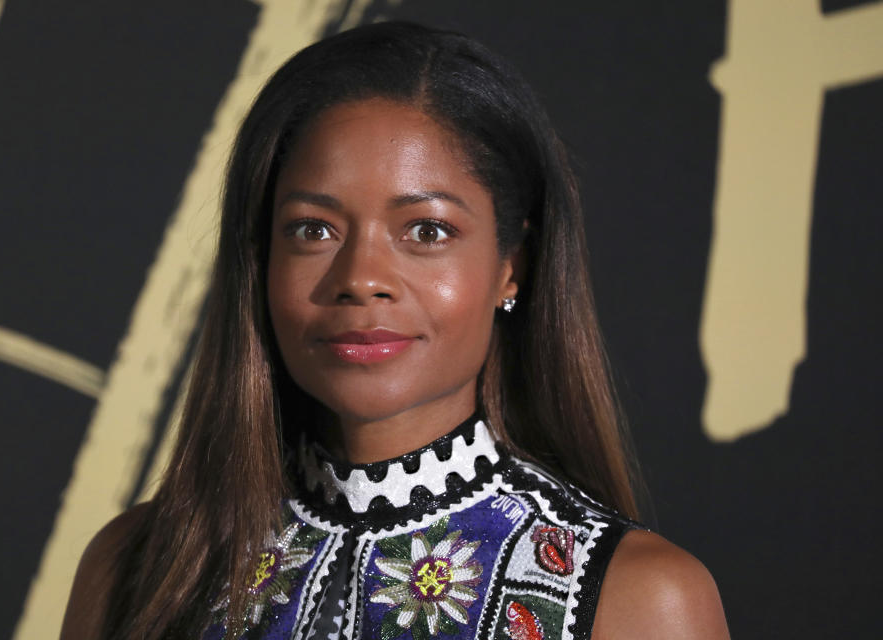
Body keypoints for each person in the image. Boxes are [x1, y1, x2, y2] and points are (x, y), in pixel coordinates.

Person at [62, 21, 729, 640]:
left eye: (428, 231)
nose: (362, 277)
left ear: (510, 267)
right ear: (261, 260)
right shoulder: (138, 569)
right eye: (313, 229)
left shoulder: (638, 598)